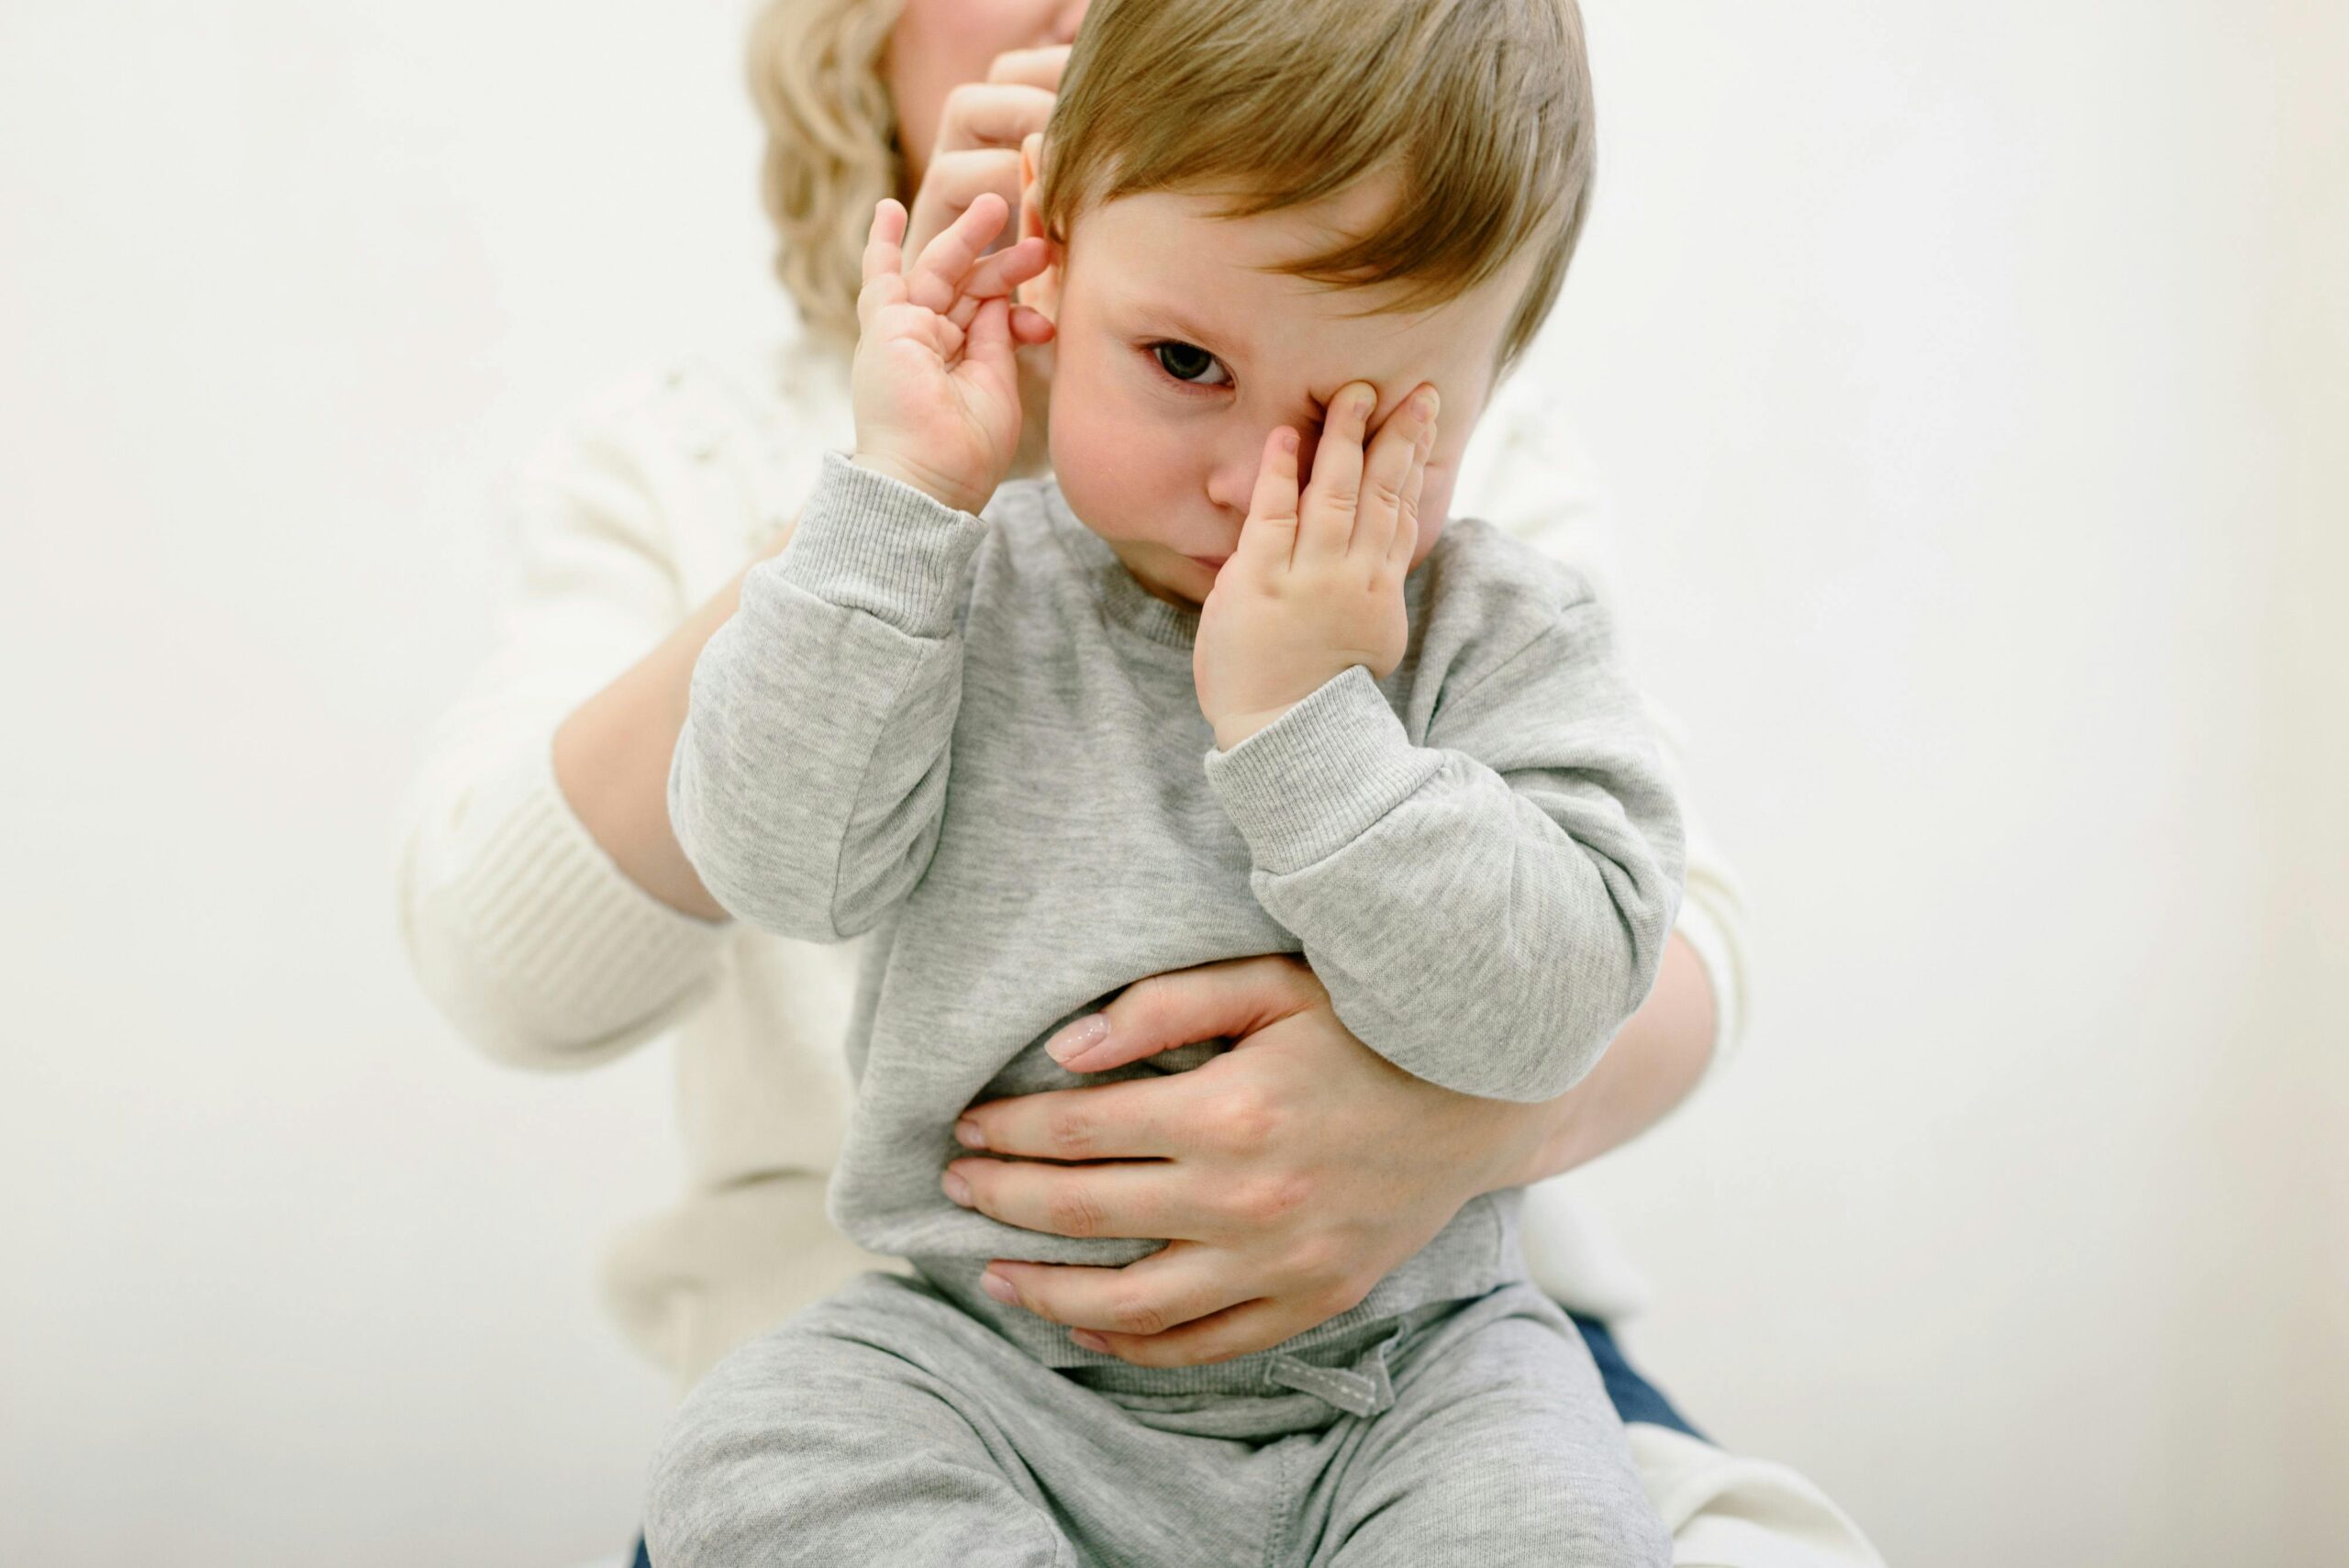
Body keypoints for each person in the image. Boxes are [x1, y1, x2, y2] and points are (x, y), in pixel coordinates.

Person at [395, 0, 1883, 1562]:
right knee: (755, 1461)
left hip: (1414, 1369)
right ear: (1052, 257)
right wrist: (899, 495)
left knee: (1554, 1523)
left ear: (1486, 384)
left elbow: (1607, 958)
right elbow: (771, 866)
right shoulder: (924, 561)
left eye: (1353, 426)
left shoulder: (1487, 605)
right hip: (980, 1358)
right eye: (1181, 361)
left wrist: (1309, 718)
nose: (1254, 483)